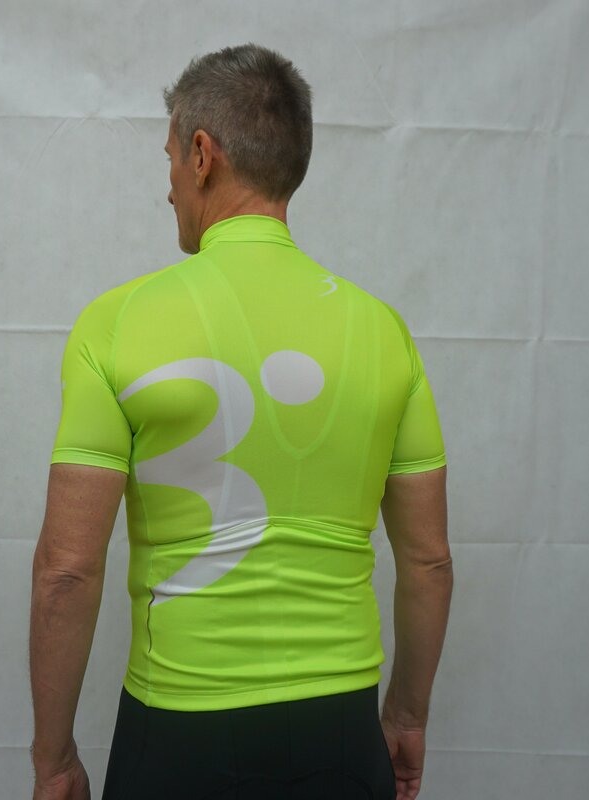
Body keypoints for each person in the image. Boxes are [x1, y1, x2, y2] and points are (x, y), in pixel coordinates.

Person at [29, 43, 453, 800]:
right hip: (341, 733)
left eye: (169, 159)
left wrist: (54, 759)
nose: (167, 188)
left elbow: (67, 571)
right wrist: (406, 716)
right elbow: (429, 564)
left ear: (202, 155)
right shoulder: (385, 332)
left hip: (178, 735)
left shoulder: (117, 323)